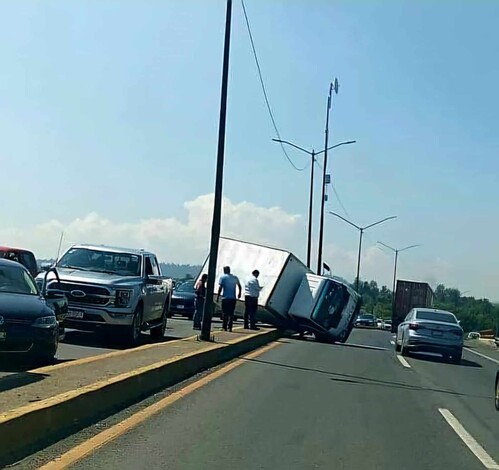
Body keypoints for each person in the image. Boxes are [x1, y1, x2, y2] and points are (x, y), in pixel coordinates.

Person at [217, 266, 241, 332]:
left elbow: (220, 288)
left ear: (224, 270)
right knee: (231, 313)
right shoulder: (234, 277)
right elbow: (239, 286)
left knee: (225, 313)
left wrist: (218, 296)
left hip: (225, 298)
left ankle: (224, 327)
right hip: (233, 298)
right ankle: (230, 327)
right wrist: (239, 293)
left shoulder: (223, 277)